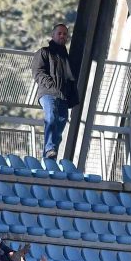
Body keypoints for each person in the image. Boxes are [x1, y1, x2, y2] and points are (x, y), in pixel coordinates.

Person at [31, 22, 79, 159]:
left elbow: (71, 78)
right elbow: (37, 72)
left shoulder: (67, 57)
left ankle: (50, 157)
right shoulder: (44, 52)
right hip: (48, 93)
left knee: (60, 124)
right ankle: (49, 149)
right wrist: (51, 85)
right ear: (53, 35)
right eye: (59, 33)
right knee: (51, 117)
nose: (62, 36)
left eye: (65, 34)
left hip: (63, 96)